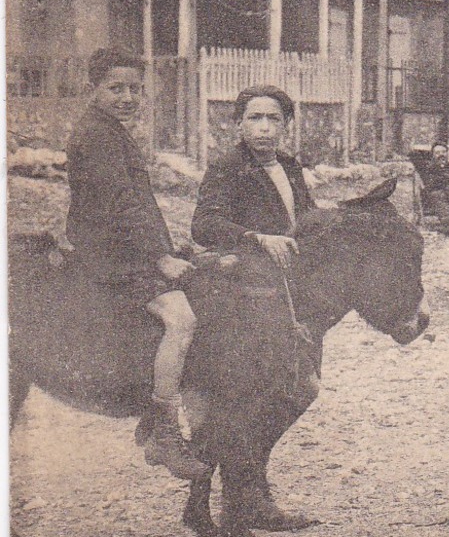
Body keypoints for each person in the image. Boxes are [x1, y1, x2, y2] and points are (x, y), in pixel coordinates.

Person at [64, 48, 209, 479]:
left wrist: (171, 245)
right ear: (93, 89)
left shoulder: (112, 130)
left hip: (121, 246)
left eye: (134, 89)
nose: (127, 97)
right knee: (181, 319)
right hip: (108, 254)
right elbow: (120, 205)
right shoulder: (97, 136)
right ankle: (162, 427)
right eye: (115, 88)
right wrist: (160, 256)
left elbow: (140, 205)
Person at [192, 85, 314, 267]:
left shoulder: (290, 166)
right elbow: (204, 224)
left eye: (274, 119)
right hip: (251, 267)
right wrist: (259, 239)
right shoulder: (228, 166)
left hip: (293, 262)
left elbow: (307, 215)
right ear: (240, 124)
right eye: (255, 118)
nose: (264, 128)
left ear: (286, 125)